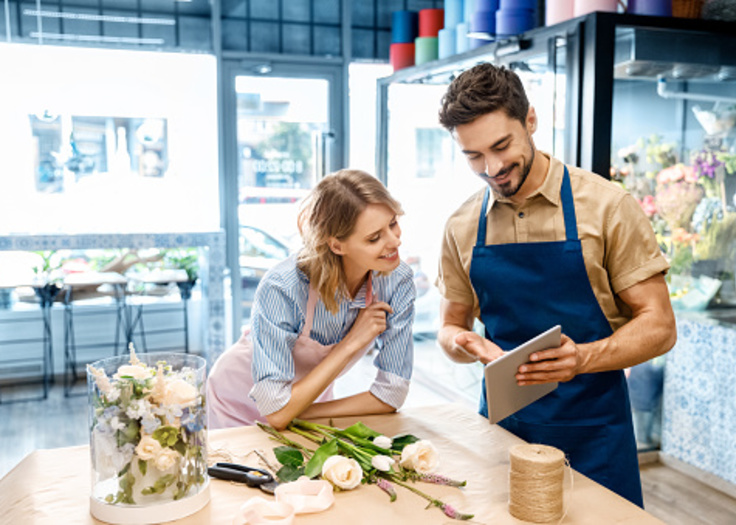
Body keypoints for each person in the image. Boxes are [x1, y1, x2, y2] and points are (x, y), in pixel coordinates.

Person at [435, 63, 676, 507]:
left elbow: (660, 326)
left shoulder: (607, 207)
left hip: (596, 436)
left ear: (530, 120)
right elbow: (449, 326)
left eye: (501, 146)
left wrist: (582, 358)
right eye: (473, 156)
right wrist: (467, 342)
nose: (491, 168)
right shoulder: (462, 225)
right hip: (502, 436)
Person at [208, 169, 415, 431]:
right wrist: (351, 343)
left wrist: (297, 411)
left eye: (393, 223)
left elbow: (392, 393)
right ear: (337, 245)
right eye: (374, 237)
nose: (394, 240)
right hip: (235, 397)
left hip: (305, 402)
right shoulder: (282, 287)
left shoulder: (397, 281)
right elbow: (276, 410)